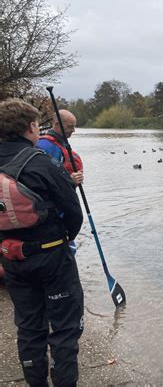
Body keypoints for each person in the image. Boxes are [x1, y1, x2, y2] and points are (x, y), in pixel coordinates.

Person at [0, 98, 84, 386]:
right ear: (31, 126)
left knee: (29, 327)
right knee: (64, 329)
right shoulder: (41, 162)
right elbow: (74, 212)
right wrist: (63, 241)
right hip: (51, 257)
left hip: (11, 258)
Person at [36, 109, 84, 186]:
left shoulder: (62, 144)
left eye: (74, 127)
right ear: (57, 124)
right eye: (70, 127)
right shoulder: (43, 146)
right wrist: (69, 180)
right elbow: (40, 179)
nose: (73, 130)